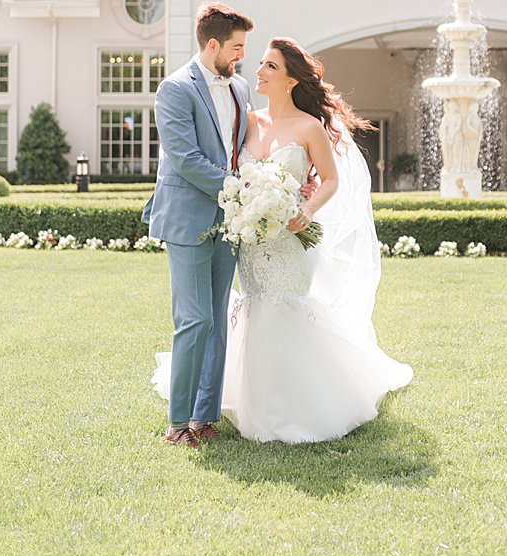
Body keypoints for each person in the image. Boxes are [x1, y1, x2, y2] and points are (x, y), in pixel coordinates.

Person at [152, 37, 412, 443]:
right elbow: (224, 165)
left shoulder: (309, 128)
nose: (258, 71)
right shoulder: (247, 121)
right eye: (260, 63)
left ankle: (297, 405)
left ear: (291, 80)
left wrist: (305, 211)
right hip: (251, 239)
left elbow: (329, 181)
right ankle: (241, 405)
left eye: (270, 66)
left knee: (286, 309)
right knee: (251, 311)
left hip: (291, 237)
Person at [143, 2, 255, 448]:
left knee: (217, 320)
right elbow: (185, 158)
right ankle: (177, 423)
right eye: (236, 47)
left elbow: (240, 146)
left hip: (232, 220)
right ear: (213, 45)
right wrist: (239, 190)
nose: (241, 56)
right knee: (193, 320)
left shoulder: (241, 87)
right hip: (188, 216)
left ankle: (204, 418)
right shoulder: (174, 89)